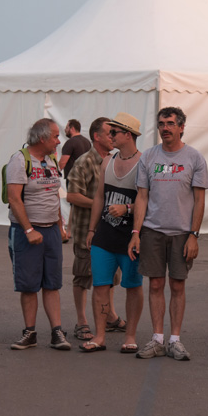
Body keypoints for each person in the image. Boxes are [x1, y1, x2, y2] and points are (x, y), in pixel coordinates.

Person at [129, 107, 208, 361]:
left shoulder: (194, 158)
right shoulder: (149, 156)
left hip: (182, 233)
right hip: (152, 231)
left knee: (177, 284)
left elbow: (199, 199)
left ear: (182, 127)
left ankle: (175, 340)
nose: (166, 128)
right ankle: (157, 339)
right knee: (155, 284)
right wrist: (136, 233)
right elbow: (142, 196)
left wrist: (194, 234)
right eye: (162, 123)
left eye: (171, 123)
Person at [82, 113, 145, 353]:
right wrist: (91, 228)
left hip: (131, 236)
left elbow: (147, 199)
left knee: (132, 285)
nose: (110, 136)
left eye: (114, 133)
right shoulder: (107, 161)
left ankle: (130, 335)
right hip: (105, 235)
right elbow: (99, 196)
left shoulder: (143, 162)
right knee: (100, 285)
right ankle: (99, 336)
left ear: (127, 134)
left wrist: (127, 208)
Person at [6, 118, 71, 351]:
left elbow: (53, 195)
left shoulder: (52, 159)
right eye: (55, 136)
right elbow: (14, 198)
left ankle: (57, 333)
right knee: (29, 285)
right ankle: (29, 332)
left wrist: (60, 225)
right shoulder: (20, 160)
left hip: (51, 230)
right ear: (42, 138)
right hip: (27, 232)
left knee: (52, 284)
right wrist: (29, 230)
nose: (58, 141)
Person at [66, 117, 123, 342]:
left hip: (111, 231)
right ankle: (82, 322)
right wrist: (99, 205)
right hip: (86, 231)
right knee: (83, 277)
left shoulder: (115, 160)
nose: (113, 137)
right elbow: (71, 195)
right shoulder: (85, 162)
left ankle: (109, 316)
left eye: (115, 133)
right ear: (96, 136)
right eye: (109, 133)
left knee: (110, 277)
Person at [60, 119, 91, 183]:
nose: (65, 130)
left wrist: (54, 174)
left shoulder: (70, 142)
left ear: (72, 128)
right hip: (85, 178)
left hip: (73, 179)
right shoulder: (87, 142)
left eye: (66, 128)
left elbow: (62, 163)